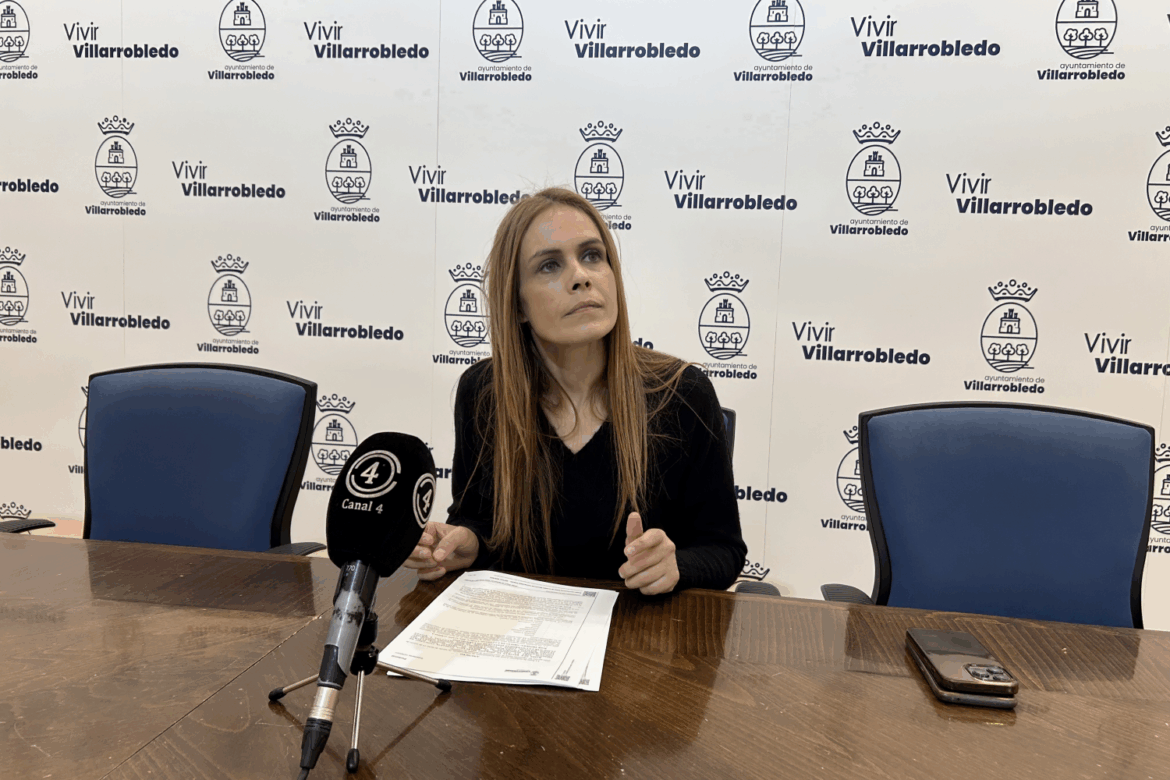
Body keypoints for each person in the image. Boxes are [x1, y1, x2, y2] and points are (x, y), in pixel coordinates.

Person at [407, 188, 746, 594]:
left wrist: (676, 565)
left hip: (642, 626)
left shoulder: (684, 392)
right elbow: (480, 520)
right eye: (550, 265)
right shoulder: (483, 391)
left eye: (592, 256)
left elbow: (723, 550)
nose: (581, 276)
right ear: (517, 304)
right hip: (520, 623)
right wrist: (467, 543)